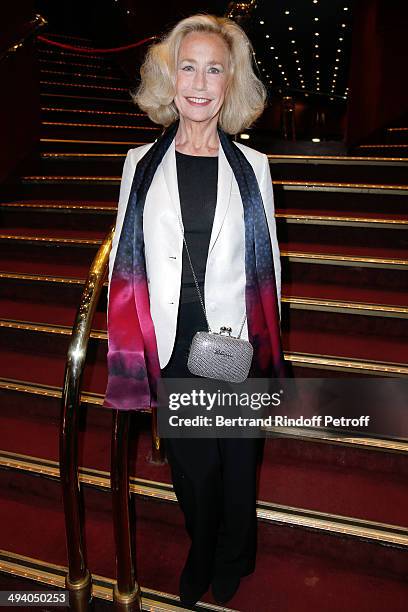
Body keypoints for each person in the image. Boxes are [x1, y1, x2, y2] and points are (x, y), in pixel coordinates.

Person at [104, 13, 285, 608]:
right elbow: (125, 266)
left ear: (231, 83)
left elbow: (269, 269)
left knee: (237, 465)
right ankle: (201, 548)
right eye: (189, 67)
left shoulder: (252, 167)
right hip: (173, 342)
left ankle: (236, 553)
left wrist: (265, 350)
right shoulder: (140, 163)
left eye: (215, 69)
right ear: (169, 78)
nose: (200, 82)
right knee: (193, 473)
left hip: (234, 343)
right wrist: (130, 347)